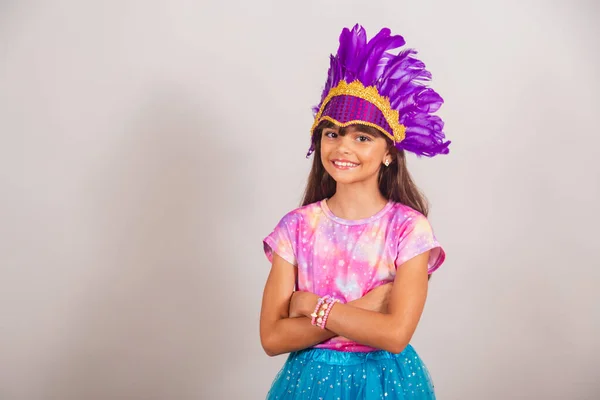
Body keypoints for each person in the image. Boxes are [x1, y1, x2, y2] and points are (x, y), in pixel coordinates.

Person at [259, 24, 451, 399]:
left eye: (362, 137)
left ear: (389, 152)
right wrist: (363, 310)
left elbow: (394, 335)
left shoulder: (409, 229)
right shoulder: (296, 228)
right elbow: (272, 337)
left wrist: (311, 305)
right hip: (310, 384)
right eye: (332, 134)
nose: (342, 147)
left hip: (385, 383)